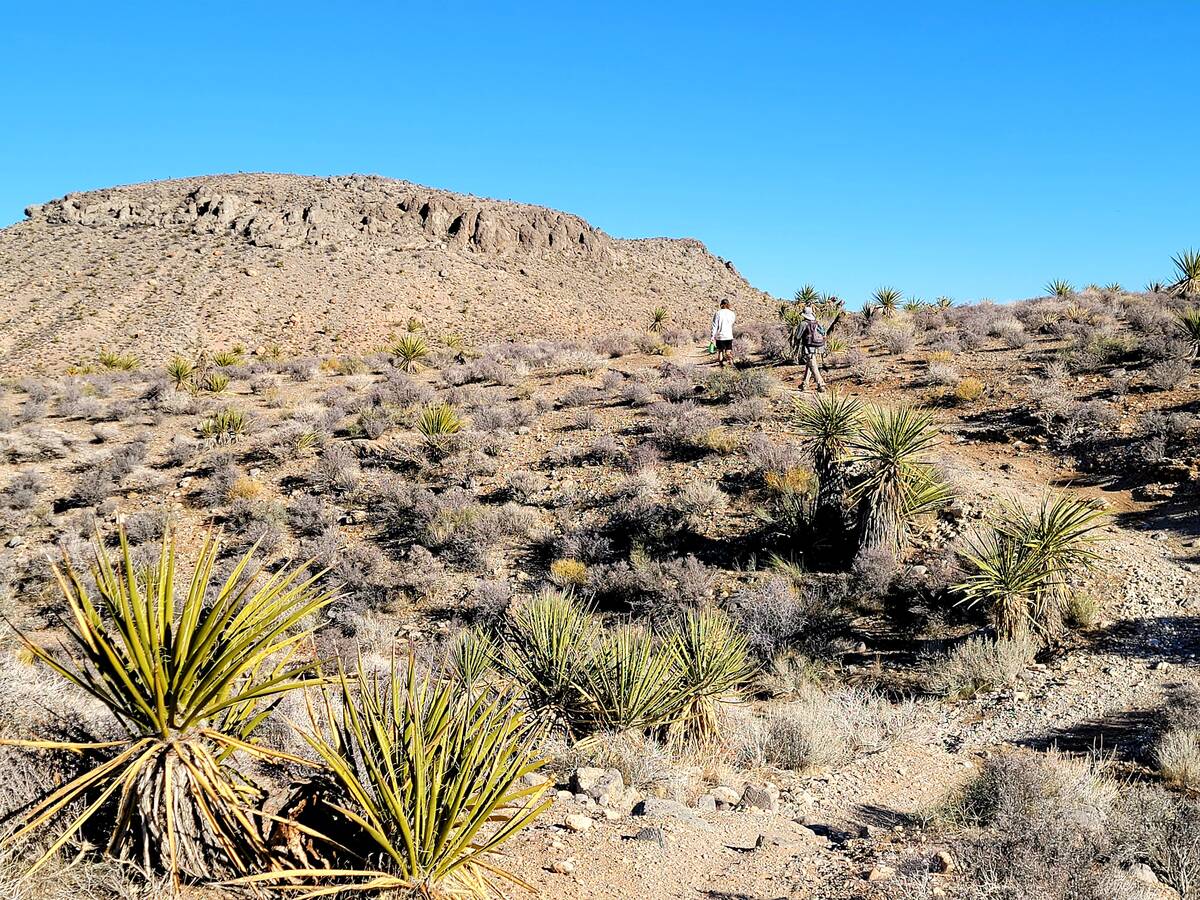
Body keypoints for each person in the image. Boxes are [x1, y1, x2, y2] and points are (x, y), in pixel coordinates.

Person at [800, 308, 827, 392]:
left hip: (808, 346)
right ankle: (805, 384)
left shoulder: (803, 323)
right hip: (818, 346)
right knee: (810, 364)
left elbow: (797, 336)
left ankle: (821, 384)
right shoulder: (817, 322)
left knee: (813, 365)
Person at [711, 299, 736, 367]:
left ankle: (721, 366)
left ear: (721, 304)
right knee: (728, 352)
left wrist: (712, 336)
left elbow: (714, 325)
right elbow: (732, 323)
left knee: (720, 351)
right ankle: (731, 362)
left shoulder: (718, 313)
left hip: (720, 336)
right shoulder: (732, 313)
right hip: (729, 335)